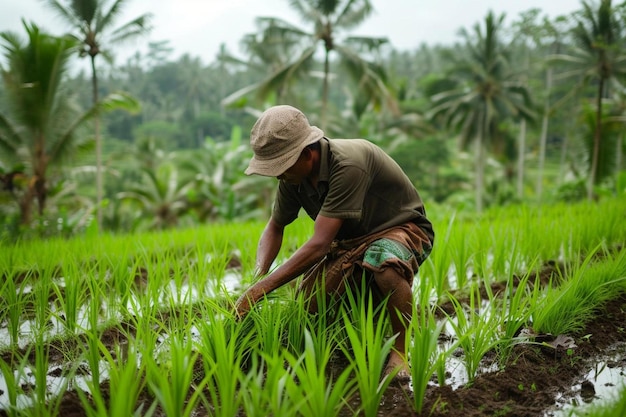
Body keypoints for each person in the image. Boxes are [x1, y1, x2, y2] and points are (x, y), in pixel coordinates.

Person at [234, 105, 434, 380]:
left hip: (400, 229)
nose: (278, 174)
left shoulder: (348, 165)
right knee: (308, 307)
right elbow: (275, 226)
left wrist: (259, 291)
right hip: (349, 242)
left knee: (383, 263)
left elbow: (319, 244)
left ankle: (399, 352)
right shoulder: (293, 178)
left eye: (281, 166)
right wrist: (258, 277)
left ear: (306, 153)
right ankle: (348, 345)